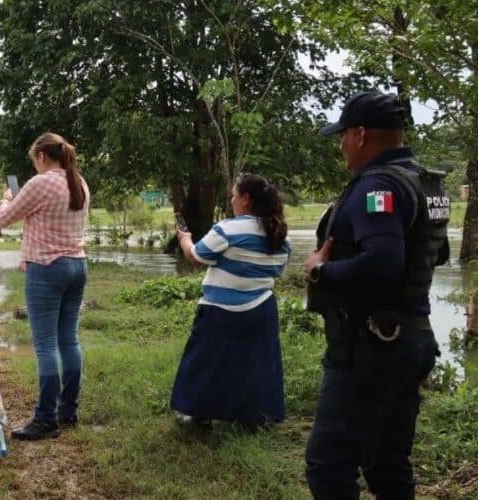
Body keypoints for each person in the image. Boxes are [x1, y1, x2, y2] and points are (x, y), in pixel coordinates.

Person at [303, 91, 448, 499]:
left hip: (371, 350)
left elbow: (384, 262)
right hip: (410, 339)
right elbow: (431, 258)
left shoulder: (378, 187)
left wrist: (322, 269)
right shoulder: (423, 183)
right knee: (386, 464)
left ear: (361, 134)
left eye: (343, 135)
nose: (341, 145)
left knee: (329, 467)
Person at [171, 173, 291, 431]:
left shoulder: (227, 229)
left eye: (234, 195)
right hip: (262, 310)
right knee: (256, 364)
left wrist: (184, 239)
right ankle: (258, 417)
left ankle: (197, 413)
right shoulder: (281, 235)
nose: (232, 200)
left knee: (205, 363)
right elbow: (277, 271)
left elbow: (195, 258)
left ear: (246, 199)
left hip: (221, 311)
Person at [0, 133, 90, 441]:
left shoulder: (40, 183)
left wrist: (7, 198)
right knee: (68, 340)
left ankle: (46, 418)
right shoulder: (80, 182)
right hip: (77, 265)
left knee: (46, 345)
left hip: (47, 269)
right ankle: (68, 409)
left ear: (41, 157)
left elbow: (4, 220)